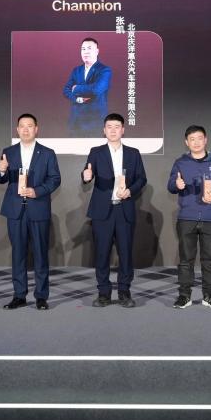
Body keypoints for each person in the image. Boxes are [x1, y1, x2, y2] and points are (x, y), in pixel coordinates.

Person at [81, 113, 148, 308]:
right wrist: (86, 176)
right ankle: (103, 293)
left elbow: (142, 179)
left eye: (117, 126)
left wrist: (130, 191)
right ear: (104, 130)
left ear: (123, 130)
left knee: (125, 253)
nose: (113, 130)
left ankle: (124, 292)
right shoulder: (96, 152)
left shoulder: (133, 153)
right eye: (109, 127)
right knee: (102, 253)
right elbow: (87, 174)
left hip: (124, 210)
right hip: (102, 210)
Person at [0, 113, 62, 310]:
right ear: (17, 130)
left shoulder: (47, 153)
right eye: (22, 126)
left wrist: (37, 191)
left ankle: (41, 296)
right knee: (18, 254)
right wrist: (1, 170)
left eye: (29, 126)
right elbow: (1, 179)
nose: (25, 129)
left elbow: (55, 179)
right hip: (15, 209)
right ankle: (19, 295)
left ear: (36, 129)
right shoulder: (8, 152)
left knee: (40, 253)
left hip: (38, 208)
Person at [167, 125, 211, 309]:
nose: (196, 142)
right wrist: (177, 185)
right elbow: (170, 185)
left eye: (199, 138)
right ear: (186, 142)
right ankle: (184, 295)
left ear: (206, 140)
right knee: (185, 259)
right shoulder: (180, 162)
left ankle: (209, 295)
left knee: (209, 259)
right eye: (192, 139)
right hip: (187, 217)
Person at [63, 37, 112, 137]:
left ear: (97, 51)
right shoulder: (76, 70)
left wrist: (76, 88)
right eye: (83, 49)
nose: (86, 52)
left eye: (89, 48)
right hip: (76, 121)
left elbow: (96, 90)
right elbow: (66, 90)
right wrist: (77, 99)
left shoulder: (104, 70)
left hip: (95, 121)